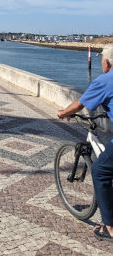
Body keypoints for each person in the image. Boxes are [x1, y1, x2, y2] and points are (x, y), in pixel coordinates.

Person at [57, 44, 113, 242]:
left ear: (106, 62)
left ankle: (109, 227)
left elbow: (79, 104)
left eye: (102, 60)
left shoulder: (106, 79)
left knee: (99, 171)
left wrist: (63, 113)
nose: (101, 63)